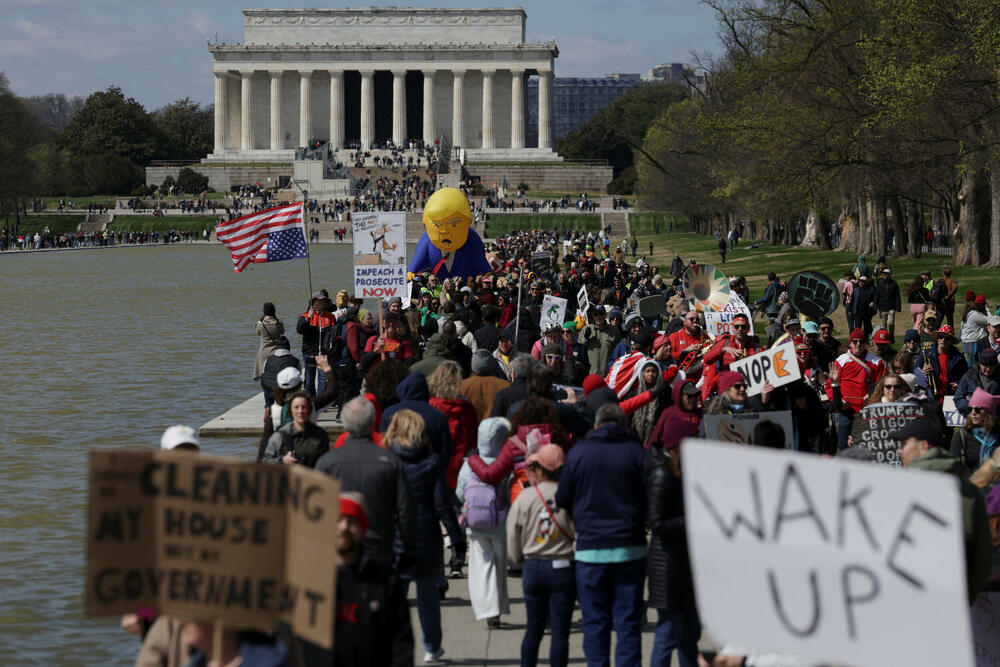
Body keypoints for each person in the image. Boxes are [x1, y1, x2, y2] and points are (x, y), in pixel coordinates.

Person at [556, 404, 647, 667]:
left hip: (590, 550)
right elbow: (650, 497)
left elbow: (562, 498)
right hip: (630, 549)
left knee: (595, 623)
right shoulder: (635, 453)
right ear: (623, 426)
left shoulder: (579, 453)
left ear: (596, 426)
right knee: (628, 622)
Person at [383, 410, 464, 663]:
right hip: (427, 536)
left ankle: (390, 645)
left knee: (395, 598)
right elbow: (442, 506)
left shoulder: (387, 461)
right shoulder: (431, 462)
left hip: (397, 537)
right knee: (428, 598)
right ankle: (432, 647)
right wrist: (457, 539)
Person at [299, 493, 415, 666]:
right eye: (338, 520)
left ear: (363, 530)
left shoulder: (385, 580)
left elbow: (401, 641)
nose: (344, 527)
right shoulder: (307, 579)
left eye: (352, 521)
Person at [892, 418, 992, 603]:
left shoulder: (899, 489)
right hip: (955, 603)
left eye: (904, 444)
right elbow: (983, 556)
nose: (899, 450)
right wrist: (966, 600)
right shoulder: (968, 490)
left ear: (923, 447)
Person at [315, 397, 416, 565]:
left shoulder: (327, 462)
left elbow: (316, 509)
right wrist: (409, 547)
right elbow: (404, 511)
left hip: (340, 547)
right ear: (372, 423)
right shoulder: (390, 461)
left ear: (345, 425)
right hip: (379, 544)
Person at [506, 444, 576, 667]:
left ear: (540, 469)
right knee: (560, 632)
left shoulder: (526, 497)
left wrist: (517, 558)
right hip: (563, 566)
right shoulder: (570, 496)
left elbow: (512, 533)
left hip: (533, 566)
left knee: (534, 629)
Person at [646, 418, 701, 667]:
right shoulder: (662, 474)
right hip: (668, 568)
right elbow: (656, 523)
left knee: (690, 635)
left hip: (684, 565)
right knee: (668, 634)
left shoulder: (684, 472)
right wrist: (691, 519)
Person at [456, 417, 512, 628]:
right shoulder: (505, 463)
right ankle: (496, 612)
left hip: (476, 523)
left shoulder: (470, 464)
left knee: (481, 566)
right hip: (499, 523)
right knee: (499, 567)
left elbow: (461, 493)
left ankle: (486, 608)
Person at [826, 328, 886, 450]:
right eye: (855, 341)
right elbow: (829, 386)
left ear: (866, 343)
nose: (858, 344)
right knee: (843, 447)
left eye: (861, 341)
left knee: (867, 448)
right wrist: (839, 400)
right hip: (845, 411)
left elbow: (882, 385)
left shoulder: (876, 361)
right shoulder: (841, 360)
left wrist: (872, 396)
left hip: (866, 412)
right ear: (850, 343)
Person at [427, 361, 479, 489]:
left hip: (437, 469)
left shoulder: (431, 406)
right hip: (461, 468)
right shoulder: (467, 409)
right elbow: (473, 439)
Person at [261, 391, 329, 468]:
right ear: (290, 411)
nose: (300, 411)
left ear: (309, 410)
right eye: (296, 407)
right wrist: (282, 460)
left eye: (304, 407)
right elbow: (265, 461)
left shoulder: (321, 435)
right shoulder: (280, 435)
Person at [950, 389, 1000, 476]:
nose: (973, 413)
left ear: (988, 412)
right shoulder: (964, 435)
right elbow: (953, 465)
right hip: (970, 485)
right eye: (970, 409)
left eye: (977, 409)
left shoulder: (997, 435)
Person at [915, 325, 968, 401]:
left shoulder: (959, 358)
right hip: (931, 397)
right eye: (941, 337)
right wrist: (922, 372)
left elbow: (966, 376)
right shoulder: (925, 354)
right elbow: (914, 374)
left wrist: (959, 384)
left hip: (951, 397)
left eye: (947, 338)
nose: (943, 340)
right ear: (937, 338)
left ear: (951, 341)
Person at [460, 349, 511, 421]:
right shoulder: (505, 386)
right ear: (491, 364)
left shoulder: (462, 386)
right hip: (497, 429)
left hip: (471, 428)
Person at [955, 348, 1000, 416]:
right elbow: (958, 397)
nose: (988, 369)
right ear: (980, 363)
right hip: (975, 419)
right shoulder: (969, 375)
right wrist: (973, 405)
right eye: (985, 365)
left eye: (991, 366)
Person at [582, 305, 621, 377]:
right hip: (591, 375)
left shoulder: (615, 331)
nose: (598, 317)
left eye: (601, 314)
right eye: (595, 314)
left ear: (605, 315)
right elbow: (579, 349)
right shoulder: (586, 329)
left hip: (608, 375)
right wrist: (586, 338)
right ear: (592, 316)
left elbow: (619, 353)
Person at [254, 302, 285, 382]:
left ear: (264, 311)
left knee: (265, 379)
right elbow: (282, 332)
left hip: (263, 352)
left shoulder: (260, 324)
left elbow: (258, 333)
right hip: (276, 352)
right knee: (276, 378)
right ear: (274, 311)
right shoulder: (279, 323)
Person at [961, 294, 991, 367]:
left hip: (967, 342)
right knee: (974, 366)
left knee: (971, 364)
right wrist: (987, 309)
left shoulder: (970, 312)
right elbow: (991, 320)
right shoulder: (975, 314)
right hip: (972, 342)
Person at [875, 268, 901, 341]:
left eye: (886, 273)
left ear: (890, 275)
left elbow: (897, 295)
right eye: (884, 273)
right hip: (882, 307)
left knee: (890, 322)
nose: (884, 275)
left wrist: (898, 306)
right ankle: (885, 338)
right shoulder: (880, 284)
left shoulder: (894, 284)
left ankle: (891, 335)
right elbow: (876, 295)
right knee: (883, 325)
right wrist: (875, 305)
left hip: (891, 307)